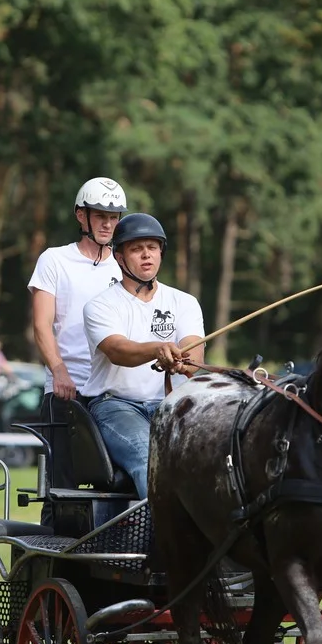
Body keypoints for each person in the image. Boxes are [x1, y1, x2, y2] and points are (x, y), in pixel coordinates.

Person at [81, 213, 205, 499]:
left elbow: (194, 352)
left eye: (153, 247)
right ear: (119, 257)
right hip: (116, 406)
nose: (146, 255)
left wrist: (182, 359)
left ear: (162, 252)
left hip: (173, 406)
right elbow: (118, 350)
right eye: (137, 249)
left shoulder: (184, 302)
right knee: (149, 460)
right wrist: (157, 349)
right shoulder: (100, 306)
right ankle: (158, 541)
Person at [27, 177, 128, 520]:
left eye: (114, 217)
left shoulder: (125, 267)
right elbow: (42, 325)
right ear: (81, 216)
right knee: (62, 486)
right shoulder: (54, 260)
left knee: (118, 482)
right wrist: (59, 371)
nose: (107, 223)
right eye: (100, 214)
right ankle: (54, 557)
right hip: (65, 390)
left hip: (112, 392)